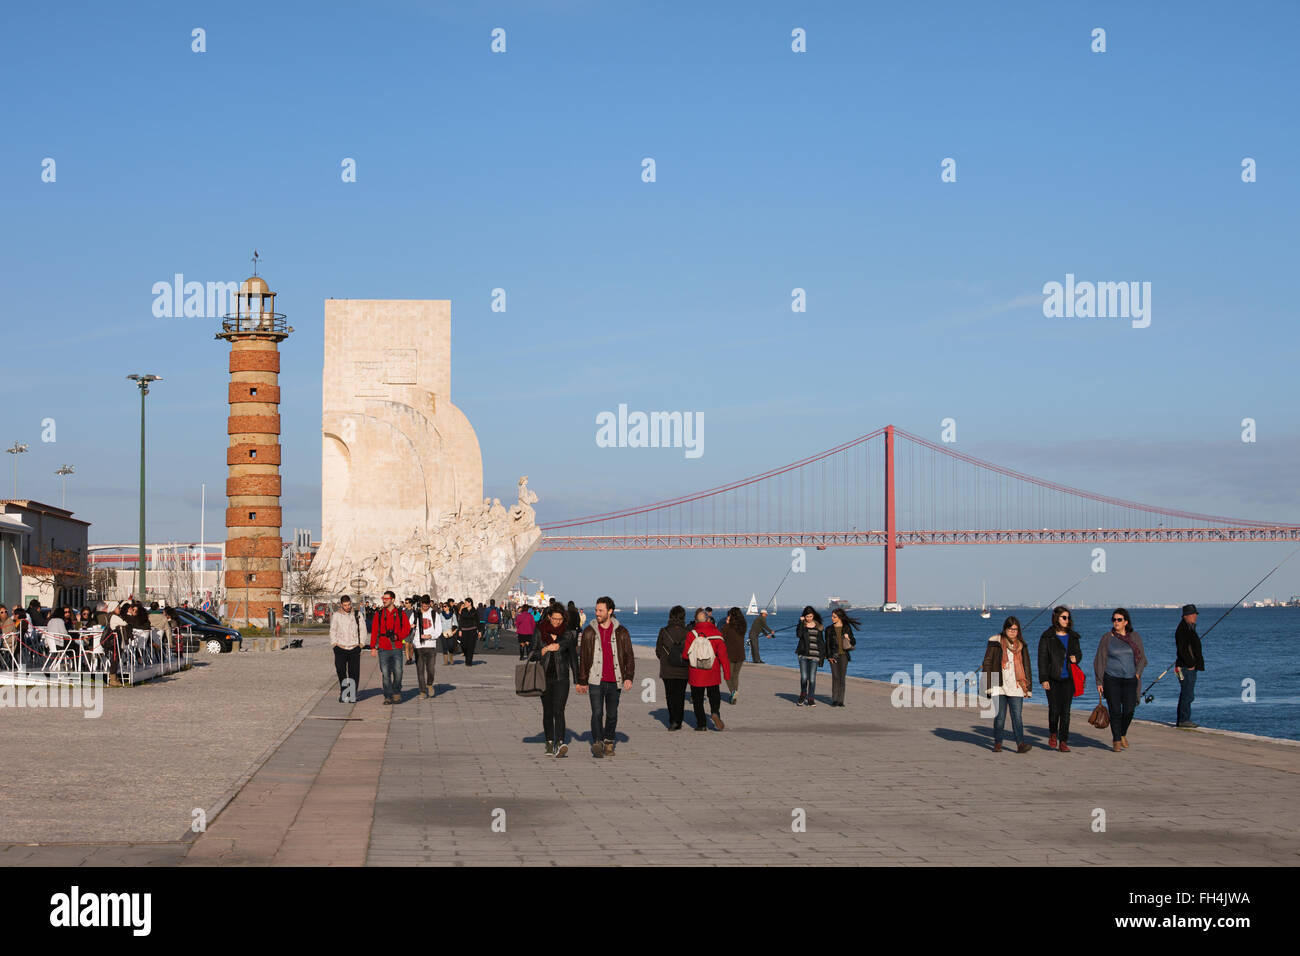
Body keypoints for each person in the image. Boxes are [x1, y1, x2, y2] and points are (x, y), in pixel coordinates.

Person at [575, 596, 634, 758]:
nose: (597, 613)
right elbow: (584, 658)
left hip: (615, 680)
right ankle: (597, 742)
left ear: (610, 611)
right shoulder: (589, 631)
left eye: (600, 610)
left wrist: (629, 677)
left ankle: (609, 740)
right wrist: (582, 681)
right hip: (595, 680)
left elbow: (629, 655)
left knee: (612, 714)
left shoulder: (622, 632)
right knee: (597, 713)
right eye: (596, 610)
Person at [1095, 607, 1147, 752]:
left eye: (1119, 620)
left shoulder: (1134, 637)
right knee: (1115, 711)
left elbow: (1142, 658)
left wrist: (1137, 674)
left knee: (1129, 710)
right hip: (1112, 679)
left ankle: (1123, 733)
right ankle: (1116, 739)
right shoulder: (1107, 638)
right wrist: (1099, 681)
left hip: (1131, 679)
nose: (1116, 622)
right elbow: (1099, 659)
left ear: (1126, 622)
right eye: (1114, 619)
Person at [980, 616, 1033, 752]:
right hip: (999, 685)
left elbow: (1027, 666)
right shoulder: (995, 642)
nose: (1013, 632)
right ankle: (998, 743)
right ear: (1005, 629)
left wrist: (1028, 687)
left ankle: (1020, 744)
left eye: (1015, 629)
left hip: (1016, 686)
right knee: (1000, 717)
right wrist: (986, 685)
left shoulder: (1022, 645)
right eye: (1010, 629)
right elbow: (987, 662)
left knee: (1017, 717)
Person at [533, 604, 577, 756]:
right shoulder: (539, 631)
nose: (557, 622)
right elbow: (532, 654)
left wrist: (578, 681)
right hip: (544, 677)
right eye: (554, 619)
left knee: (559, 710)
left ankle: (560, 742)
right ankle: (549, 742)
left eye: (560, 619)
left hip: (561, 678)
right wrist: (544, 650)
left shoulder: (568, 634)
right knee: (548, 711)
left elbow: (573, 658)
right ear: (549, 617)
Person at [1037, 606, 1082, 752]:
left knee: (1066, 711)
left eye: (1068, 617)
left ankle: (1063, 741)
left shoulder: (1073, 637)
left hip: (1069, 678)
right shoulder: (1047, 636)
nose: (1067, 620)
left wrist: (1077, 658)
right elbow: (1042, 659)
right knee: (1054, 709)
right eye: (1064, 617)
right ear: (1056, 617)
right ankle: (1053, 733)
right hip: (1052, 678)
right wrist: (1044, 678)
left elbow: (1078, 653)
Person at [684, 608, 730, 730]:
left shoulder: (691, 634)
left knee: (698, 700)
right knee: (714, 695)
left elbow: (685, 655)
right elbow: (723, 656)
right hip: (712, 671)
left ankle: (702, 724)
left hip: (696, 672)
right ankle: (715, 713)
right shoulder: (717, 634)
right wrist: (727, 674)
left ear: (696, 621)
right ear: (708, 619)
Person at [369, 590, 410, 704]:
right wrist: (373, 647)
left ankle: (396, 692)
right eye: (383, 598)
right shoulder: (379, 614)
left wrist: (398, 636)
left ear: (392, 600)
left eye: (386, 599)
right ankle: (387, 696)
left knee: (398, 672)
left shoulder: (401, 614)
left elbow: (406, 629)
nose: (384, 600)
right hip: (383, 648)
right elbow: (374, 631)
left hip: (396, 647)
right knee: (385, 673)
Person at [656, 605, 691, 730]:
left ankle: (672, 720)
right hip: (683, 669)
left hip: (667, 669)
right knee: (680, 696)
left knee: (670, 695)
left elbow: (658, 650)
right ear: (683, 617)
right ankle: (679, 720)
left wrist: (665, 659)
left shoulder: (664, 631)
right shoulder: (688, 633)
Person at [1173, 604, 1205, 729]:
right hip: (1186, 667)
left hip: (1187, 666)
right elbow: (1183, 649)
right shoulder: (1183, 629)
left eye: (1195, 614)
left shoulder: (1189, 627)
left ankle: (1183, 719)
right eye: (1193, 614)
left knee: (1186, 693)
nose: (1195, 616)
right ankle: (1184, 719)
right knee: (1188, 694)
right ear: (1186, 616)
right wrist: (1191, 664)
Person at [329, 595, 364, 702]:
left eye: (349, 604)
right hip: (340, 647)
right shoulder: (337, 615)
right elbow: (333, 630)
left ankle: (352, 694)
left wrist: (361, 644)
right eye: (345, 605)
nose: (347, 607)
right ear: (341, 605)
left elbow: (363, 629)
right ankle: (344, 692)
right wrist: (334, 644)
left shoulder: (358, 614)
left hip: (354, 647)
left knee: (354, 672)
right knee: (341, 670)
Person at [826, 608, 860, 707]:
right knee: (835, 677)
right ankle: (834, 699)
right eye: (832, 617)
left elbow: (853, 641)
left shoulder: (846, 628)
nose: (832, 618)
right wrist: (829, 656)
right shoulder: (829, 629)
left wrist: (848, 638)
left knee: (842, 678)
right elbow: (827, 644)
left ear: (839, 617)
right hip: (833, 656)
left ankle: (841, 700)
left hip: (844, 655)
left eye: (834, 617)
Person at [794, 606, 827, 706]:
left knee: (812, 679)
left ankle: (811, 698)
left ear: (814, 616)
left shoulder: (819, 626)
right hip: (803, 655)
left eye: (811, 616)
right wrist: (800, 622)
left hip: (815, 656)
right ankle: (803, 695)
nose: (809, 618)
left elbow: (821, 642)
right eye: (807, 616)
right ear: (804, 616)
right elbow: (799, 635)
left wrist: (823, 655)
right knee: (804, 677)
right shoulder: (802, 626)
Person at [412, 595, 442, 698]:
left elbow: (439, 630)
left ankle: (429, 684)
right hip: (418, 645)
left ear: (430, 604)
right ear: (421, 604)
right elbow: (409, 627)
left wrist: (430, 636)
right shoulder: (415, 614)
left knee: (431, 669)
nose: (425, 608)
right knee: (420, 670)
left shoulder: (434, 614)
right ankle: (423, 691)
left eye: (427, 606)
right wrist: (411, 628)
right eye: (423, 606)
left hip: (431, 645)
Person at [720, 607, 746, 704]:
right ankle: (734, 697)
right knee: (735, 675)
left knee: (727, 676)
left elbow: (721, 637)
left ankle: (733, 692)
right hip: (740, 654)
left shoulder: (727, 627)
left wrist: (726, 623)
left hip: (729, 655)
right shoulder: (743, 626)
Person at [457, 597, 481, 666]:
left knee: (471, 646)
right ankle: (466, 654)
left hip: (472, 630)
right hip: (464, 630)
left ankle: (469, 662)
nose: (465, 604)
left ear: (470, 603)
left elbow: (478, 621)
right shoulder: (463, 610)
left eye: (466, 602)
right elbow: (460, 620)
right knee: (463, 645)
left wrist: (479, 631)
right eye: (465, 603)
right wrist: (460, 630)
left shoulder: (475, 611)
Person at [439, 600, 458, 665]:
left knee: (450, 646)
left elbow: (456, 625)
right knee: (444, 646)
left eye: (445, 606)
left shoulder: (453, 615)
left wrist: (453, 632)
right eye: (442, 606)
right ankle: (446, 661)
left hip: (450, 632)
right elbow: (438, 623)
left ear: (448, 607)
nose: (443, 608)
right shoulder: (441, 614)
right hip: (443, 632)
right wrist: (440, 632)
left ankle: (451, 659)